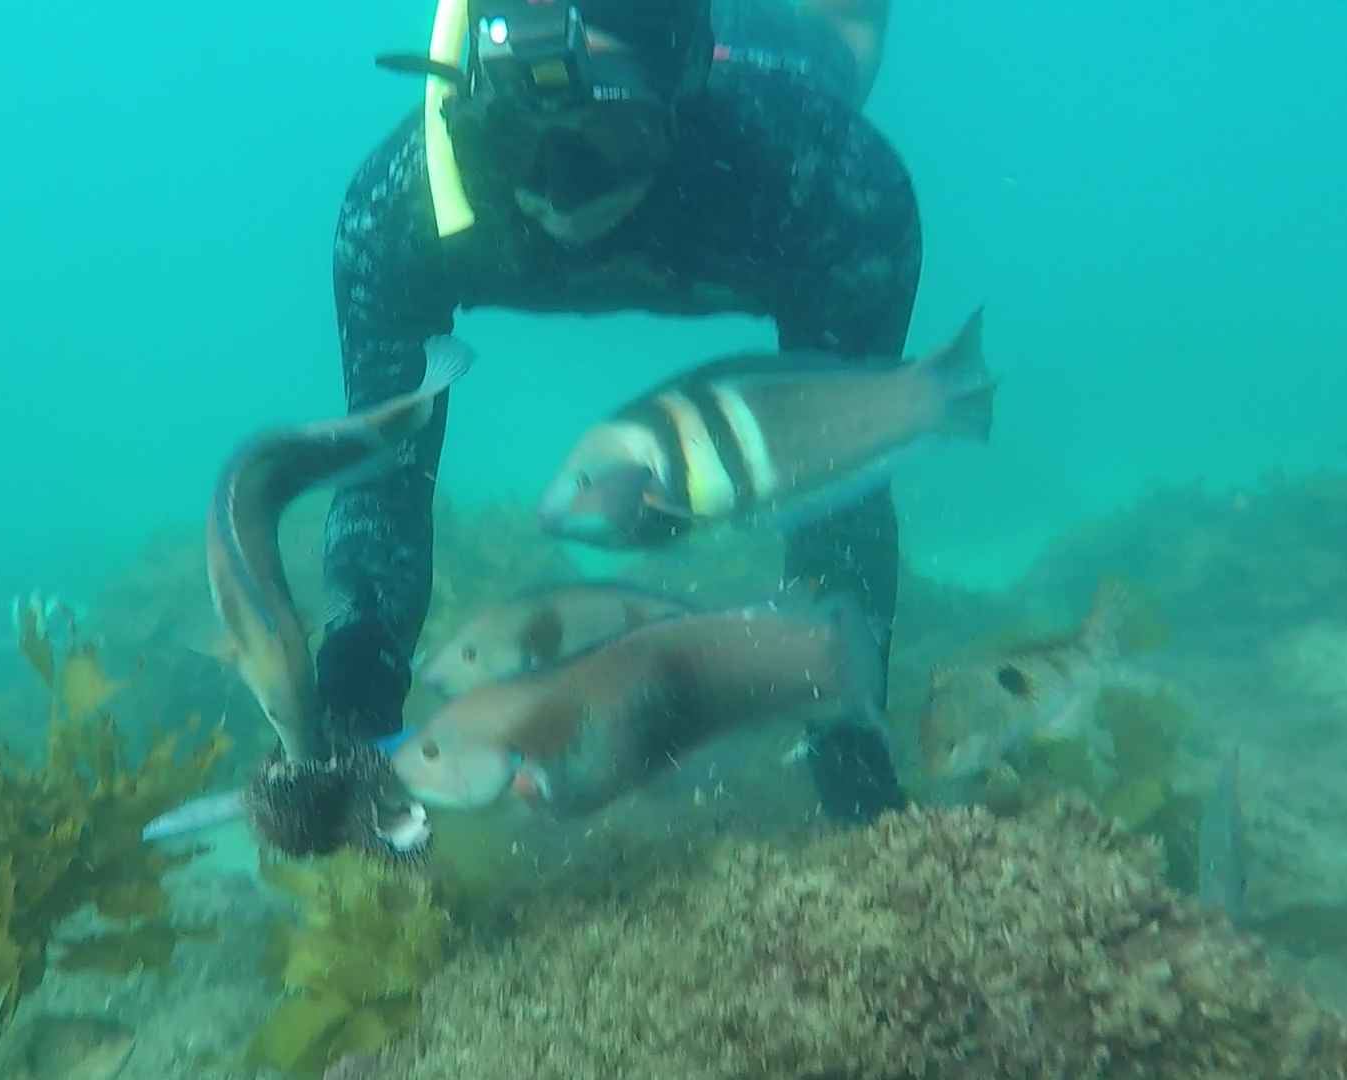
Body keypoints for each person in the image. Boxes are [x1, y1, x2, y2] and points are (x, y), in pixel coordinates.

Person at [315, 0, 918, 837]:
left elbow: (841, 472)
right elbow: (383, 480)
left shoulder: (821, 181)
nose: (559, 189)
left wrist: (843, 717)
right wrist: (353, 696)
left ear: (681, 96)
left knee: (840, 33)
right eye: (513, 136)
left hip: (775, 54)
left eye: (609, 135)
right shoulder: (401, 212)